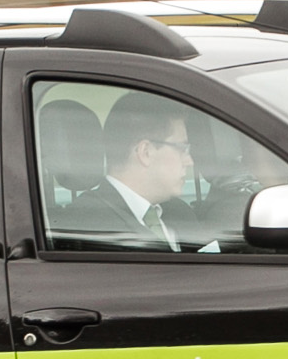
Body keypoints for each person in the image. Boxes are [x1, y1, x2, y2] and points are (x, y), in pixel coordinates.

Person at [59, 92, 201, 251]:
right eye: (182, 149)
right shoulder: (85, 228)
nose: (190, 161)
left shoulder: (181, 213)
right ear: (145, 152)